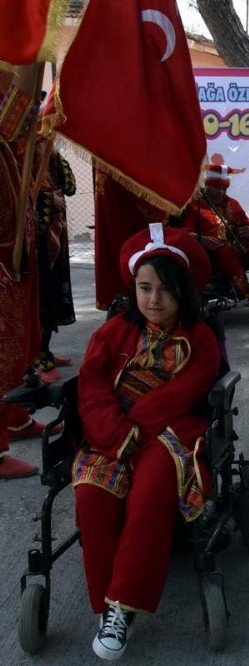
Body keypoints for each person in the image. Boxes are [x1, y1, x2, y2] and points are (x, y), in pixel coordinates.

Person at [73, 223, 220, 659]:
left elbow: (186, 390)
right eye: (144, 287)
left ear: (185, 291)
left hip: (170, 431)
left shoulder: (200, 338)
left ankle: (125, 602)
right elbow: (92, 382)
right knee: (92, 491)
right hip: (112, 430)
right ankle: (109, 607)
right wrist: (115, 433)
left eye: (165, 289)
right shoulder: (114, 331)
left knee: (153, 484)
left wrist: (135, 428)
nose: (154, 299)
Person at [1, 72, 45, 479]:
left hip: (15, 265)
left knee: (17, 352)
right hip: (1, 267)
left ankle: (15, 419)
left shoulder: (5, 150)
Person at [179, 161, 249, 302]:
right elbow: (183, 233)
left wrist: (248, 230)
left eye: (224, 189)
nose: (221, 192)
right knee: (223, 251)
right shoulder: (194, 206)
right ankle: (245, 292)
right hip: (212, 253)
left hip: (236, 248)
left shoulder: (232, 203)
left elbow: (247, 224)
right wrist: (201, 239)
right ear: (206, 186)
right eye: (216, 188)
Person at [33, 131, 77, 384]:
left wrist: (54, 151)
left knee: (53, 290)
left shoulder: (47, 145)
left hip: (56, 229)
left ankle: (46, 350)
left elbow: (70, 187)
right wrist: (50, 198)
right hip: (37, 232)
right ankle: (38, 356)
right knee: (42, 292)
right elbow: (24, 188)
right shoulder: (21, 145)